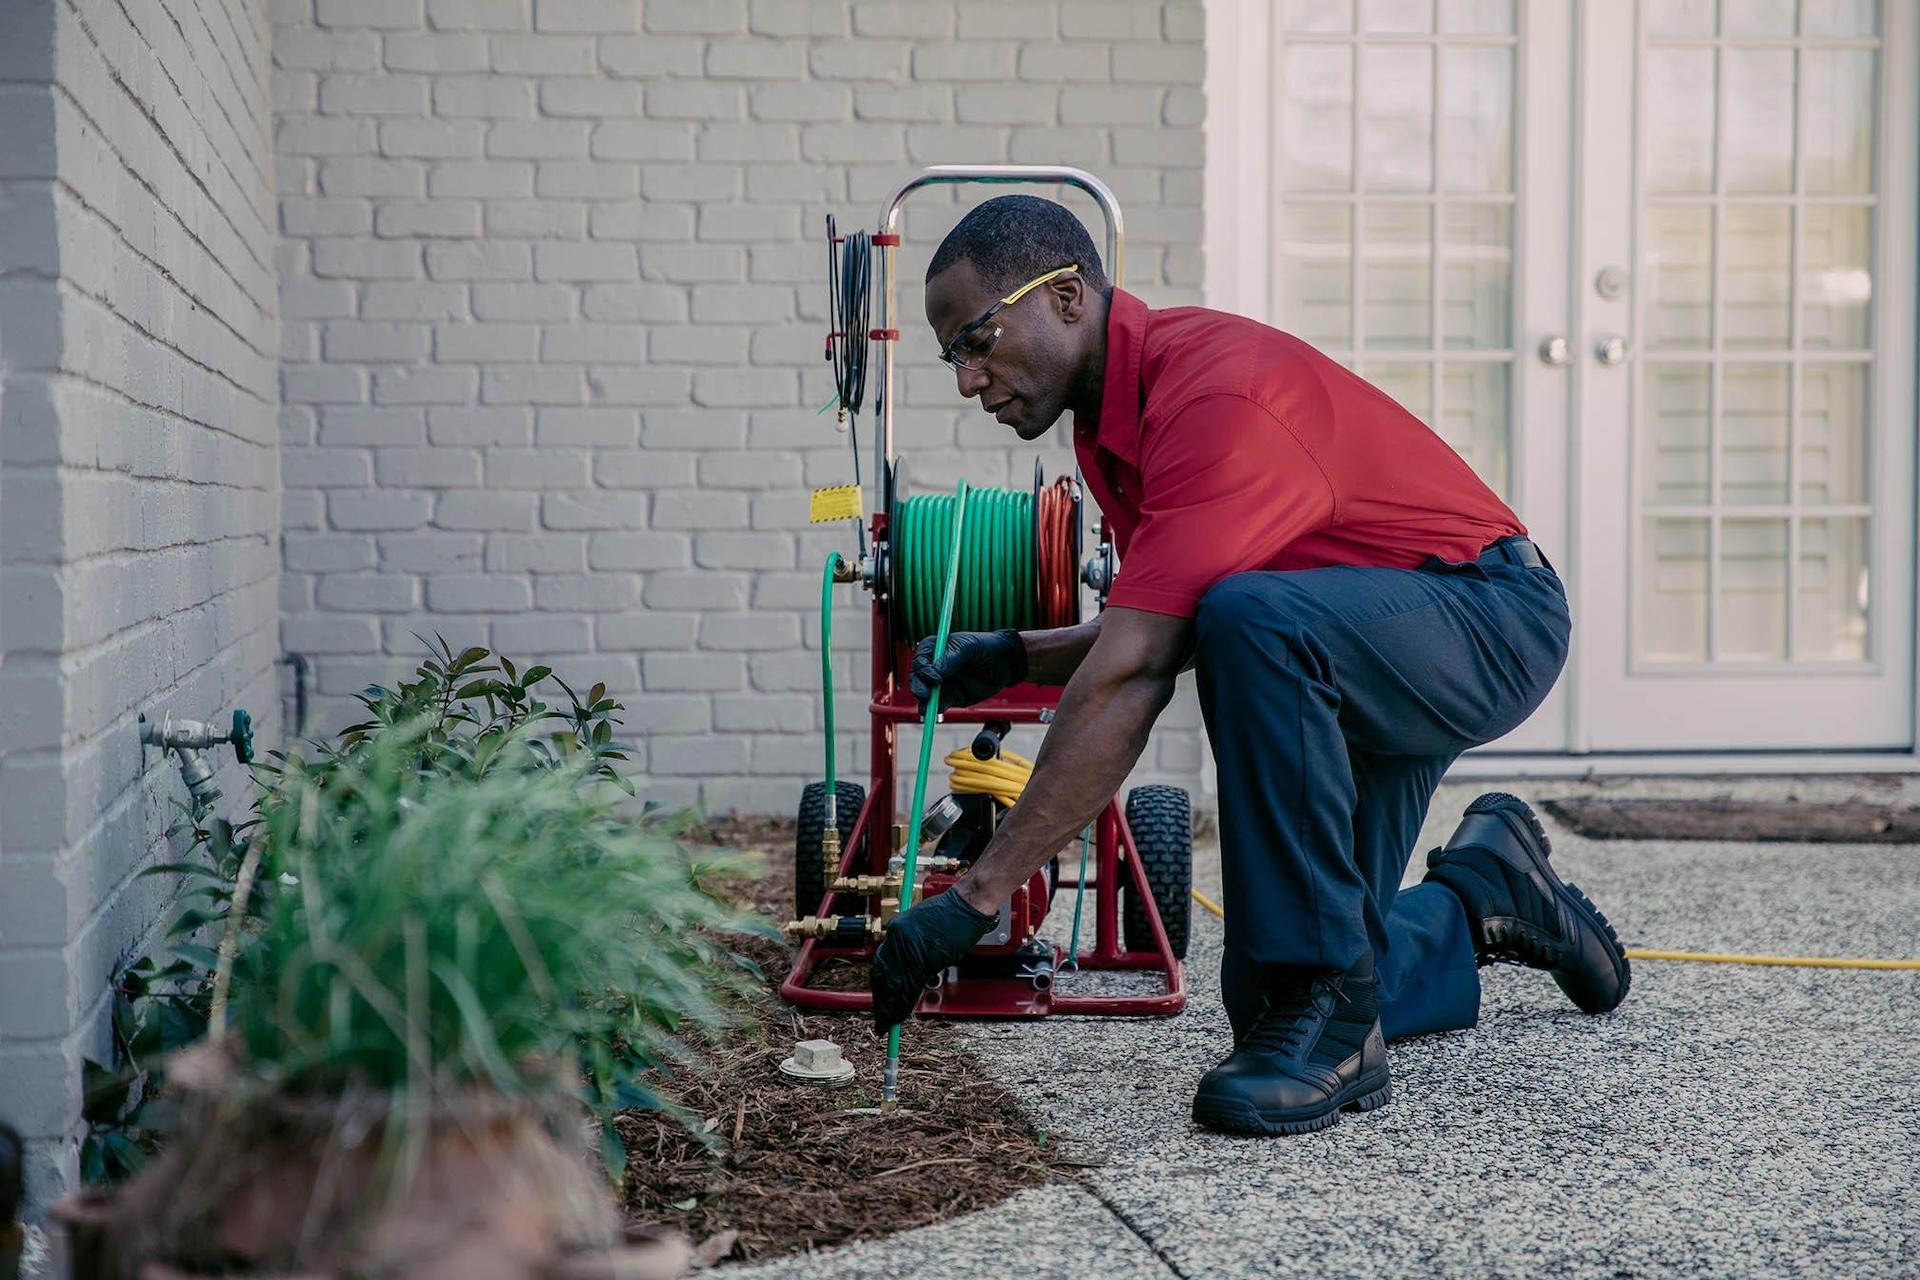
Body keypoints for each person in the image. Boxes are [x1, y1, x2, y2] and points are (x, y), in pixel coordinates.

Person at [868, 195, 1630, 1137]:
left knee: (1254, 629)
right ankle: (1486, 892)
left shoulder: (1214, 397)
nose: (966, 378)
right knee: (1274, 1001)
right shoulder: (1112, 421)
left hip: (1485, 619)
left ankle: (1337, 1022)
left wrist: (976, 898)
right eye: (953, 354)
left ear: (1065, 296)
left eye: (976, 339)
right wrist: (1019, 655)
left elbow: (1138, 667)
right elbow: (1160, 621)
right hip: (1361, 647)